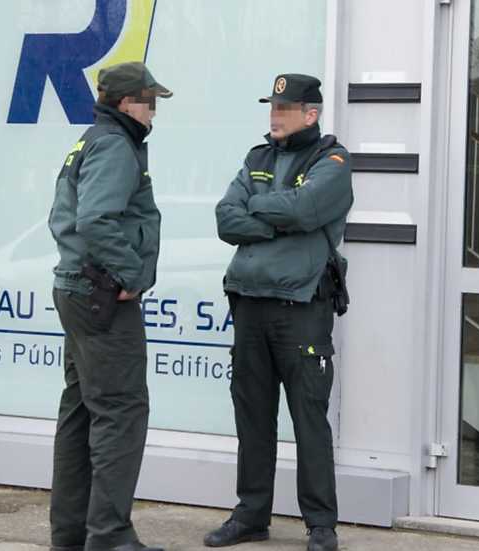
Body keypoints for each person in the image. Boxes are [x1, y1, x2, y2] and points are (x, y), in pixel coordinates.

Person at [206, 73, 353, 551]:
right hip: (249, 301)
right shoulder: (258, 158)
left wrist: (259, 209)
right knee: (252, 417)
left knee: (309, 419)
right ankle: (251, 515)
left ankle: (321, 524)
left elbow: (306, 210)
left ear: (310, 114)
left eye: (284, 108)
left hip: (301, 307)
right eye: (272, 106)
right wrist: (277, 220)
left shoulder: (332, 161)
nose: (275, 115)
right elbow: (226, 218)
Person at [47, 61, 170, 551]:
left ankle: (72, 535)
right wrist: (132, 274)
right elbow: (96, 219)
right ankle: (110, 536)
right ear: (126, 103)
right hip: (101, 296)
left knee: (81, 412)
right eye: (150, 101)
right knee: (121, 412)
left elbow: (64, 216)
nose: (154, 111)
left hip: (79, 290)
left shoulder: (92, 140)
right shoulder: (116, 145)